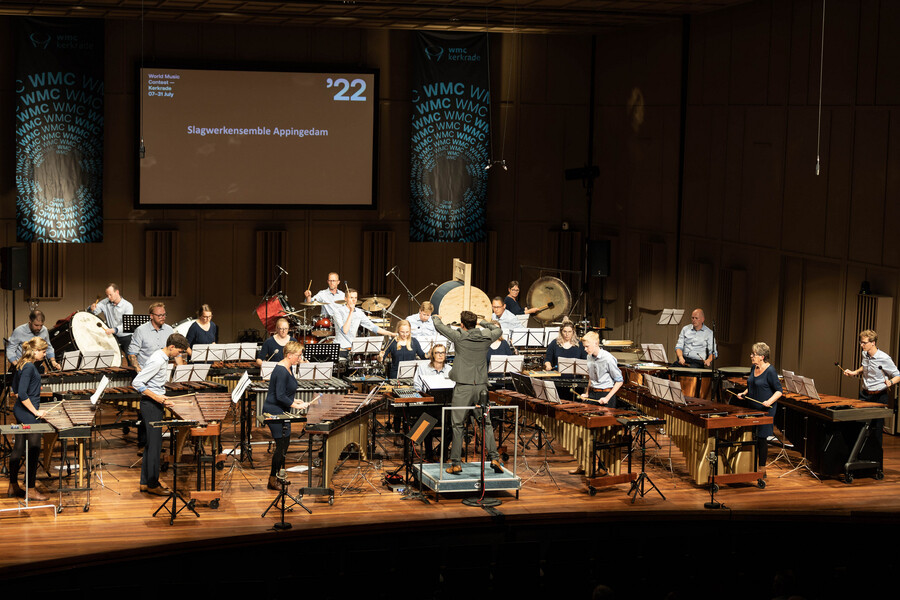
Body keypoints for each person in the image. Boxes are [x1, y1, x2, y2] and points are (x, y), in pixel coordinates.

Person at [433, 311, 504, 475]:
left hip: (463, 387)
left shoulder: (460, 337)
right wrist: (484, 323)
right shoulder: (486, 336)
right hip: (481, 387)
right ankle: (494, 458)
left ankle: (456, 463)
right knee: (485, 423)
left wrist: (437, 316)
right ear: (475, 323)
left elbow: (438, 326)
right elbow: (498, 330)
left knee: (457, 425)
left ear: (462, 324)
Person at [132, 333, 189, 495]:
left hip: (154, 403)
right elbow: (137, 383)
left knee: (151, 445)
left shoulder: (161, 357)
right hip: (151, 404)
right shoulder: (158, 360)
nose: (179, 354)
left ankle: (145, 482)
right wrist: (158, 398)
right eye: (179, 351)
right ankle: (153, 484)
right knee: (156, 446)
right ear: (171, 347)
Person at [127, 303, 179, 450]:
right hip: (146, 377)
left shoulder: (169, 330)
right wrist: (139, 370)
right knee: (146, 412)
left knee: (158, 410)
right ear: (151, 316)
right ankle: (144, 444)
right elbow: (132, 353)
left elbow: (174, 352)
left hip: (162, 376)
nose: (162, 317)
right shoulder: (141, 331)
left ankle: (155, 443)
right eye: (159, 315)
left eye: (164, 315)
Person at [262, 341, 310, 490]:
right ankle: (272, 479)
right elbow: (280, 395)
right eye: (298, 355)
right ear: (289, 355)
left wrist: (295, 399)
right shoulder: (281, 370)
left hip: (282, 409)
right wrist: (296, 406)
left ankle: (278, 476)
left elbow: (285, 393)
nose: (300, 358)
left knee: (285, 445)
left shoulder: (288, 368)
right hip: (274, 410)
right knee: (281, 446)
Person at [7, 337, 51, 500]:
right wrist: (36, 412)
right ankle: (31, 489)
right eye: (43, 351)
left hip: (21, 410)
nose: (45, 354)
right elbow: (23, 394)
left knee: (18, 448)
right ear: (35, 351)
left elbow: (16, 390)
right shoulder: (29, 368)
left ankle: (13, 486)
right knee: (33, 449)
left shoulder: (21, 364)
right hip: (28, 413)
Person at [843, 329, 900, 448]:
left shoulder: (884, 358)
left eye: (864, 343)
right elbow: (865, 367)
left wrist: (890, 382)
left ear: (873, 343)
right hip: (865, 395)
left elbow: (898, 375)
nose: (861, 345)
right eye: (861, 342)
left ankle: (876, 463)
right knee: (860, 427)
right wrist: (854, 372)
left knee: (876, 430)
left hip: (879, 397)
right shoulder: (865, 353)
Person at [736, 342, 782, 469]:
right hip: (751, 407)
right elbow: (751, 385)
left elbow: (779, 391)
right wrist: (744, 393)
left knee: (761, 439)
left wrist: (769, 401)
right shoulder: (753, 368)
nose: (751, 356)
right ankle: (749, 466)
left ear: (762, 356)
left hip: (765, 409)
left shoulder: (770, 371)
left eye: (754, 354)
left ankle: (762, 469)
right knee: (751, 436)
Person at [324, 288, 396, 353]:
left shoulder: (359, 312)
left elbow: (373, 327)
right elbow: (345, 330)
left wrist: (390, 333)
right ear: (345, 299)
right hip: (341, 349)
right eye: (351, 297)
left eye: (355, 298)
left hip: (353, 348)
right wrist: (351, 312)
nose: (354, 300)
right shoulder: (337, 311)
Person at [581, 331, 623, 408]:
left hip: (605, 394)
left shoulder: (608, 358)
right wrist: (587, 393)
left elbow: (619, 381)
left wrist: (607, 398)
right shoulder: (589, 356)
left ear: (596, 344)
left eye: (587, 346)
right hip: (592, 393)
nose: (585, 349)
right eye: (584, 346)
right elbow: (591, 377)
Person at [90, 283, 134, 354]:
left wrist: (114, 330)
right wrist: (92, 309)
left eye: (110, 295)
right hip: (113, 336)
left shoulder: (128, 306)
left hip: (126, 337)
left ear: (117, 292)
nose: (109, 297)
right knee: (112, 359)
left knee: (130, 359)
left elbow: (127, 325)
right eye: (107, 295)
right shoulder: (105, 302)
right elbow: (94, 312)